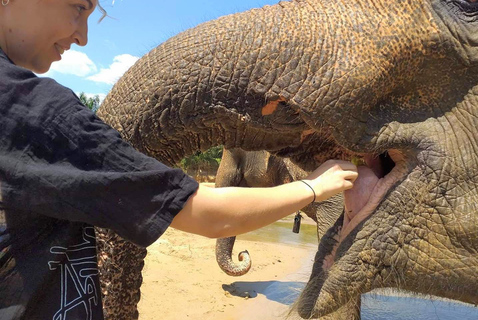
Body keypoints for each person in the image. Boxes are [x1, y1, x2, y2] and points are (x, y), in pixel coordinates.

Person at [0, 0, 358, 319]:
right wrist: (314, 186)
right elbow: (203, 213)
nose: (83, 37)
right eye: (78, 7)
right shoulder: (34, 111)